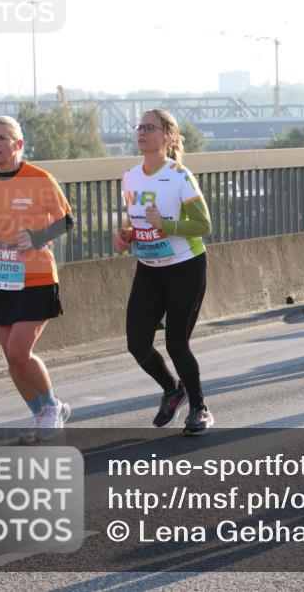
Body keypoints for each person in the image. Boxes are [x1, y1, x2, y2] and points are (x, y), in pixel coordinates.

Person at [0, 116, 74, 441]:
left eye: (2, 138)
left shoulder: (40, 179)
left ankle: (52, 407)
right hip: (2, 278)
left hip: (37, 277)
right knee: (11, 357)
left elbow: (67, 220)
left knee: (21, 351)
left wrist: (38, 237)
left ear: (18, 144)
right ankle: (41, 414)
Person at [114, 109, 213, 436]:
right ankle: (173, 389)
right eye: (139, 127)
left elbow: (204, 225)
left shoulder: (179, 175)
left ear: (168, 137)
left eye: (150, 128)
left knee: (176, 343)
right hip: (149, 268)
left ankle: (199, 408)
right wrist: (126, 235)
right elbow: (137, 220)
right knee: (137, 343)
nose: (141, 133)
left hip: (185, 267)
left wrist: (165, 225)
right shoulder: (130, 177)